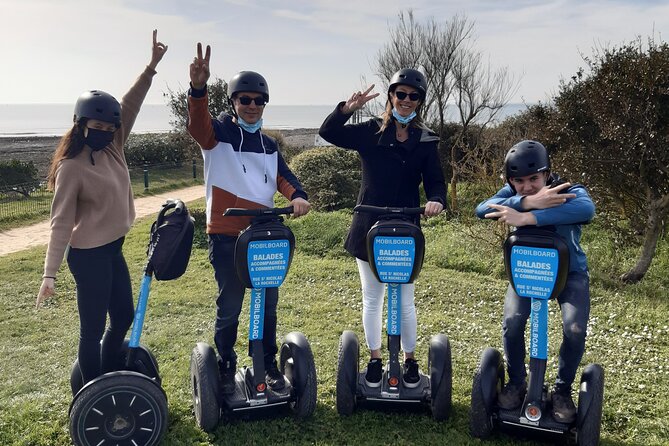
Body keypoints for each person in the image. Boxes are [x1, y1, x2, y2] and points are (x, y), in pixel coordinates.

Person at [35, 31, 168, 384]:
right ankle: (93, 389)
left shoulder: (113, 145)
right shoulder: (71, 167)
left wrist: (150, 67)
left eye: (110, 127)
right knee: (91, 330)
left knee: (123, 316)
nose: (105, 132)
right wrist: (49, 275)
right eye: (97, 127)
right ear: (80, 125)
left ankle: (111, 369)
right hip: (88, 256)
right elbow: (60, 223)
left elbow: (131, 104)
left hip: (114, 250)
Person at [187, 43, 310, 394]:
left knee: (267, 304)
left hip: (264, 236)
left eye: (258, 101)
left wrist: (298, 197)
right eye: (245, 100)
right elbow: (197, 125)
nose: (252, 106)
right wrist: (198, 89)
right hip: (227, 235)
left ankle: (266, 363)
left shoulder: (270, 145)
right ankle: (225, 364)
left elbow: (285, 178)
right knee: (230, 305)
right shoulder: (218, 136)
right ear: (233, 103)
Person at [318, 68, 447, 388]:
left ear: (420, 101)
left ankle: (410, 360)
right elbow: (329, 133)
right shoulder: (371, 131)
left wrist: (436, 200)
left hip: (406, 227)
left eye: (413, 96)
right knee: (373, 297)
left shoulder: (426, 139)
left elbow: (436, 182)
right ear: (391, 96)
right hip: (369, 225)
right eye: (400, 94)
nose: (405, 100)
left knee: (405, 300)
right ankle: (376, 358)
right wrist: (346, 110)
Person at [475, 140, 596, 423]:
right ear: (510, 180)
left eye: (534, 179)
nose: (527, 185)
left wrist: (527, 216)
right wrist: (527, 201)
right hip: (528, 271)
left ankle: (562, 390)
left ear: (547, 174)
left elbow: (586, 210)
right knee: (514, 320)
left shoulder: (569, 190)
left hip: (570, 273)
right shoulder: (514, 193)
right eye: (519, 181)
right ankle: (517, 382)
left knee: (575, 328)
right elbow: (482, 209)